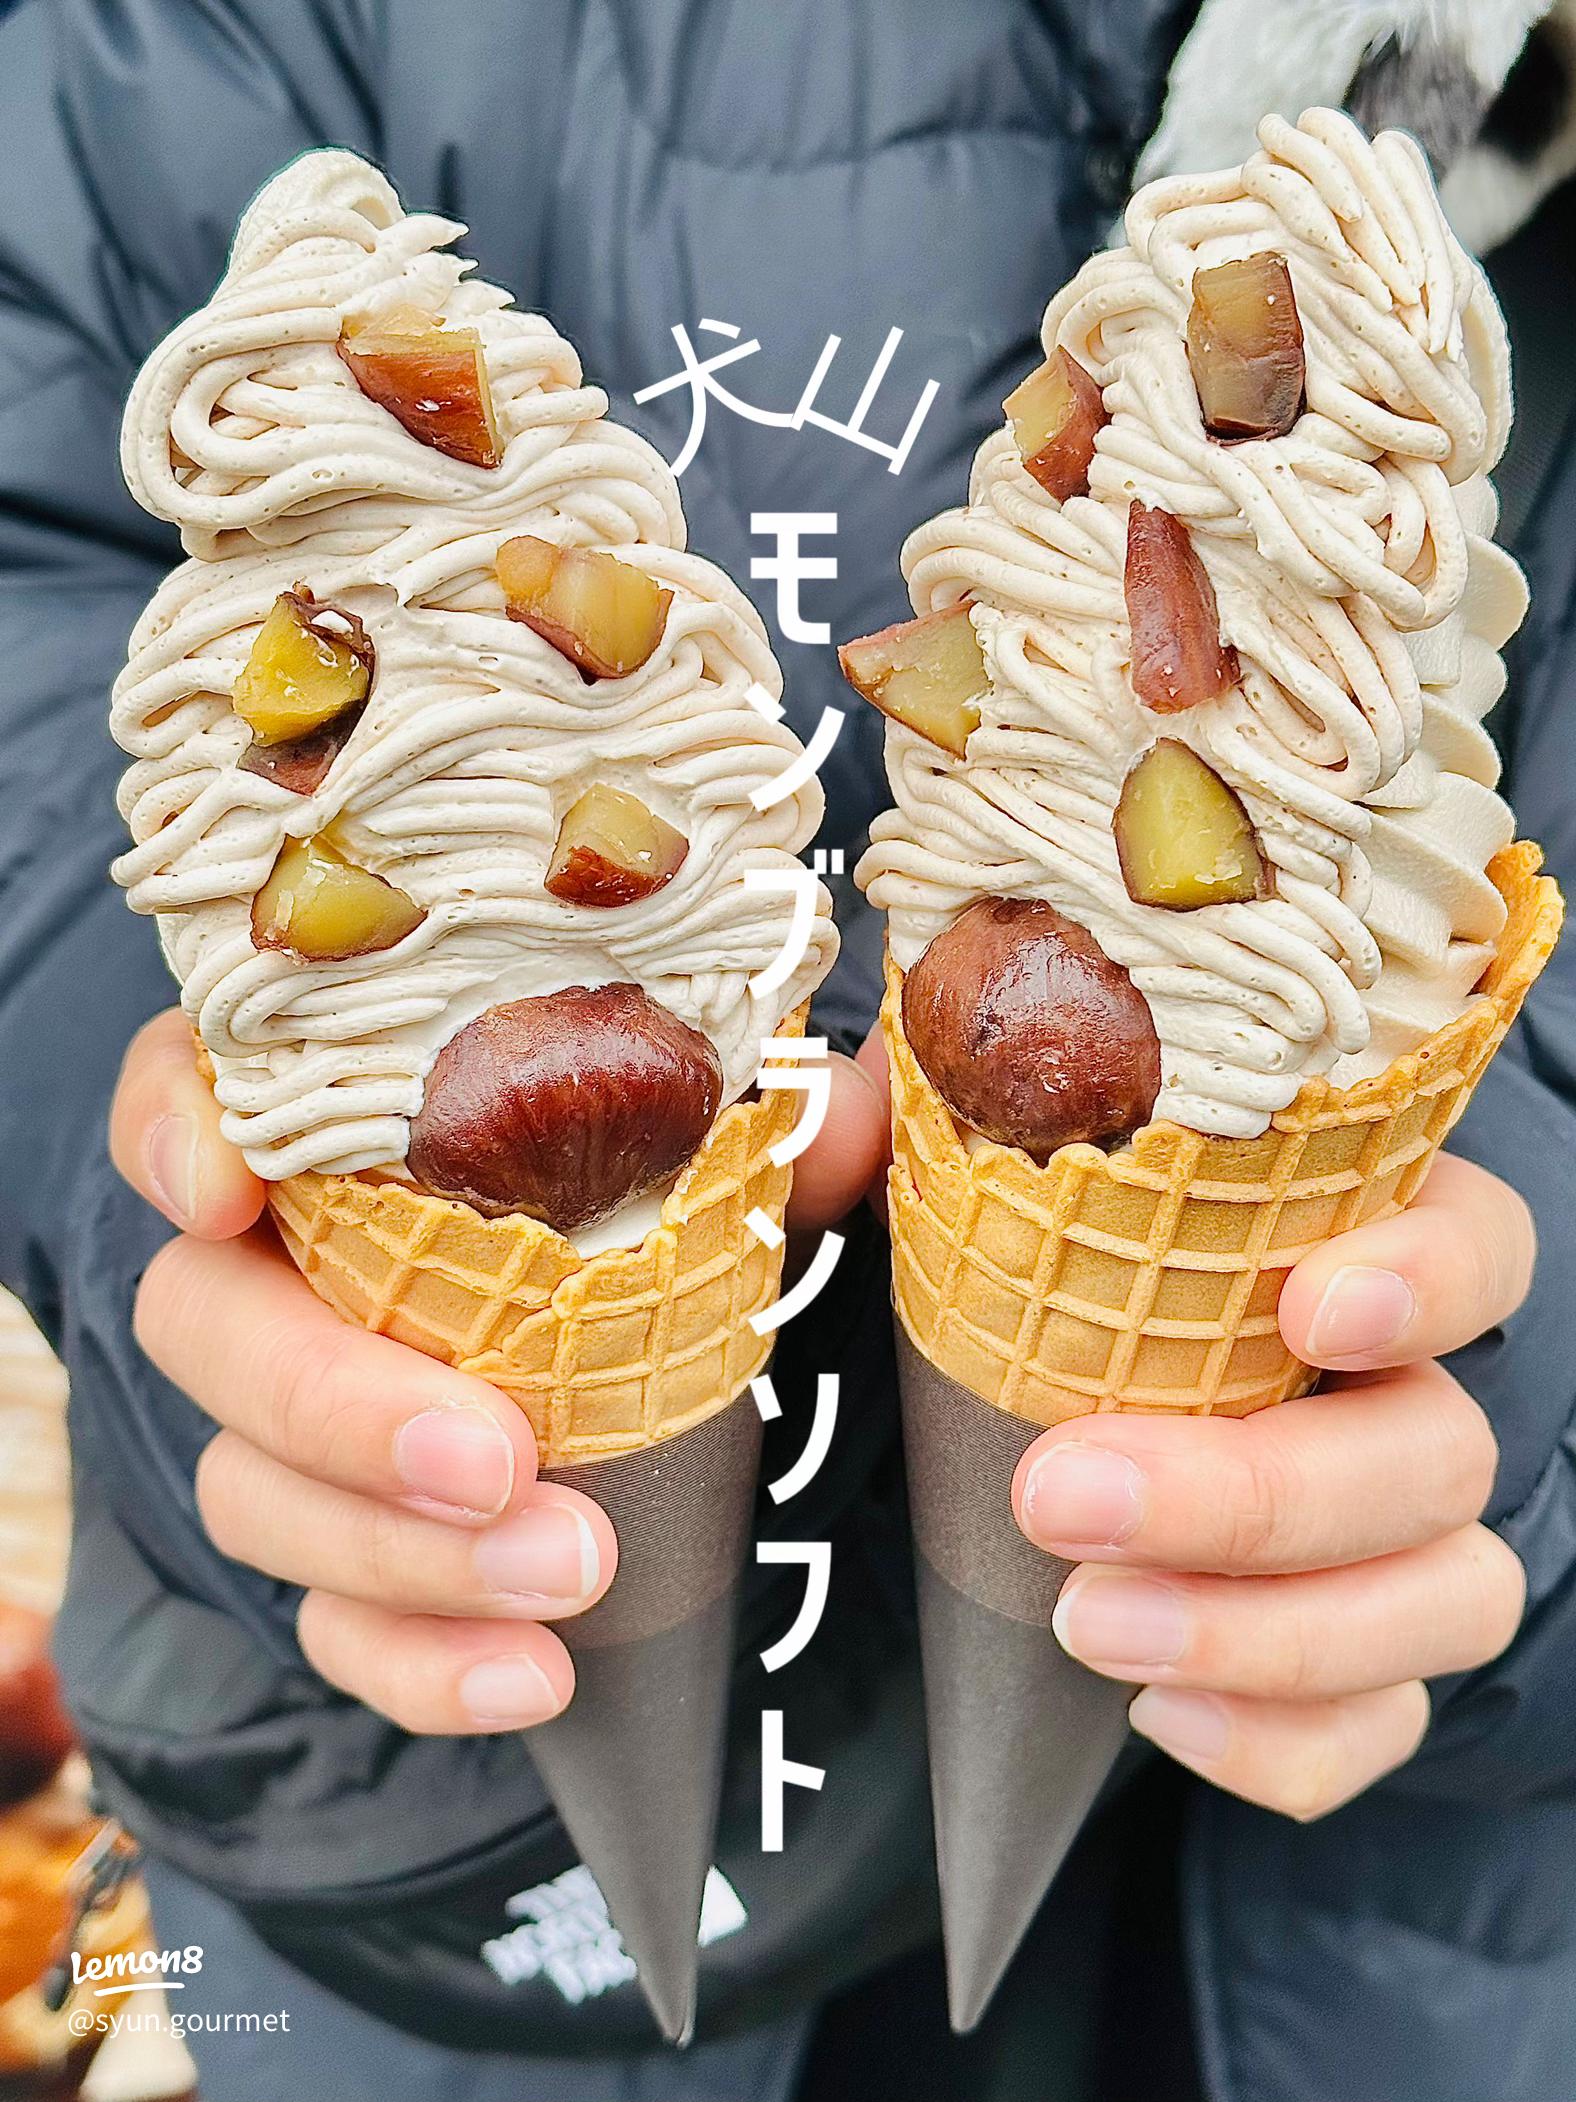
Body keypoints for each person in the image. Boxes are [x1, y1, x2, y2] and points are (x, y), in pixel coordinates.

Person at [3, 3, 1576, 2097]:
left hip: (1401, 1914)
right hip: (428, 1831)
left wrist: (1528, 1424)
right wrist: (177, 1203)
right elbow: (36, 558)